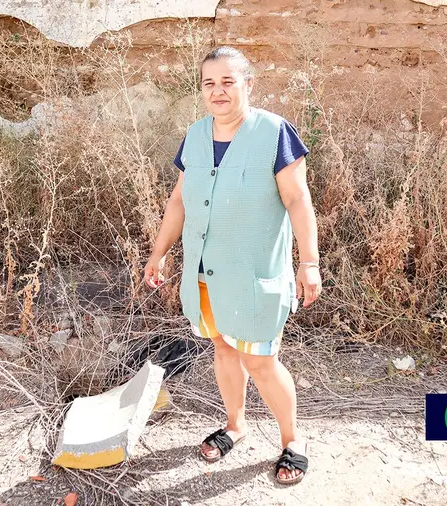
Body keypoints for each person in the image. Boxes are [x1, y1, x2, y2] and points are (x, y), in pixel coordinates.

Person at [143, 46, 322, 485]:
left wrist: (310, 262)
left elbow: (298, 199)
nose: (218, 91)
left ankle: (292, 439)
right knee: (223, 348)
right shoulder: (196, 134)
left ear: (248, 85)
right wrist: (159, 251)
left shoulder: (274, 132)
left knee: (260, 360)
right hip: (205, 274)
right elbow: (180, 199)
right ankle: (236, 425)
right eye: (209, 83)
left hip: (254, 273)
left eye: (228, 82)